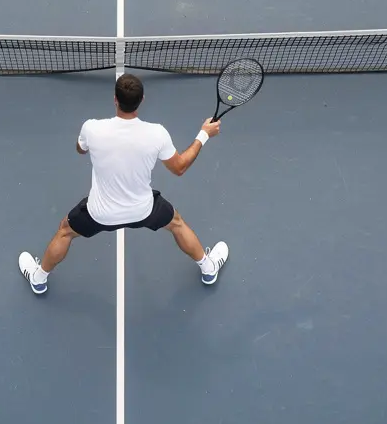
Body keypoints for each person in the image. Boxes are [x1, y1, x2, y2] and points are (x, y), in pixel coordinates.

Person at [18, 73, 229, 294]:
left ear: (115, 99)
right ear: (143, 100)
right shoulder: (157, 133)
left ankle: (39, 278)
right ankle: (208, 268)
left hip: (99, 213)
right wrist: (204, 134)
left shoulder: (92, 128)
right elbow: (179, 168)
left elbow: (80, 149)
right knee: (176, 223)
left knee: (65, 231)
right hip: (143, 211)